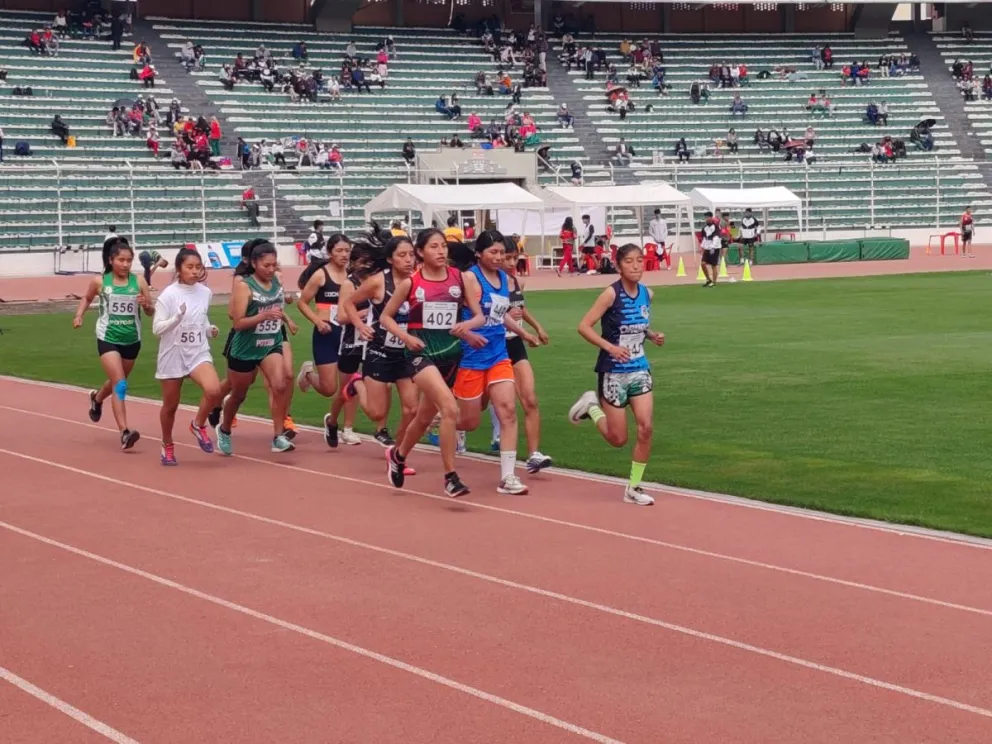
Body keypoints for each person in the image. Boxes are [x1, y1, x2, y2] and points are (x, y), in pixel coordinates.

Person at [378, 230, 486, 497]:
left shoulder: (458, 278)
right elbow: (386, 318)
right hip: (419, 354)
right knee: (449, 409)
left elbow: (479, 316)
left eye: (443, 247)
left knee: (424, 416)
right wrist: (405, 337)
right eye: (434, 247)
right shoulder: (411, 284)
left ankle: (398, 456)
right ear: (421, 252)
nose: (441, 252)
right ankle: (450, 477)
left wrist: (468, 328)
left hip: (450, 354)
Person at [568, 244, 665, 506]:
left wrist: (651, 334)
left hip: (640, 370)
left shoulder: (648, 294)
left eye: (640, 261)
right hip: (613, 372)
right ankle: (591, 406)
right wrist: (610, 347)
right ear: (619, 265)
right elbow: (583, 327)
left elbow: (638, 325)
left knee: (646, 428)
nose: (636, 266)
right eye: (630, 262)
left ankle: (634, 487)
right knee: (618, 438)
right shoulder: (610, 294)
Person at [450, 233, 539, 494]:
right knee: (469, 421)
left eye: (502, 252)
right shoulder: (469, 278)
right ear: (479, 254)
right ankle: (440, 418)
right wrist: (467, 334)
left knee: (508, 410)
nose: (499, 257)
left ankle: (508, 477)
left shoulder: (504, 279)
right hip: (471, 357)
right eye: (493, 252)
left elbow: (499, 315)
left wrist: (524, 333)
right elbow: (453, 316)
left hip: (499, 354)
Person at [340, 235, 420, 474]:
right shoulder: (377, 282)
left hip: (406, 353)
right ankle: (357, 384)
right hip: (379, 350)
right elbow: (349, 304)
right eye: (402, 255)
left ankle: (397, 454)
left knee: (411, 409)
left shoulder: (418, 281)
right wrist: (360, 325)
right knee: (377, 413)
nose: (408, 260)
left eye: (411, 255)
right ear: (390, 259)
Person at [72, 238, 154, 450]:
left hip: (132, 340)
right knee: (120, 383)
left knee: (118, 380)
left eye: (129, 260)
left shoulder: (140, 282)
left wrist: (147, 305)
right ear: (111, 260)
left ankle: (97, 399)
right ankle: (125, 431)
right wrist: (79, 315)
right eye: (121, 260)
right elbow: (87, 298)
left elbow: (151, 311)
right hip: (108, 338)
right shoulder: (100, 282)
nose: (125, 264)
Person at [216, 241, 295, 454]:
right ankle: (224, 429)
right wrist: (262, 316)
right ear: (254, 264)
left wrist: (287, 320)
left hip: (270, 343)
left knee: (279, 385)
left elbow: (277, 307)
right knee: (239, 394)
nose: (271, 270)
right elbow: (238, 323)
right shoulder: (245, 286)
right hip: (245, 348)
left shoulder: (277, 281)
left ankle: (278, 436)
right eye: (266, 266)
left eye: (273, 265)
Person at [152, 248, 222, 465]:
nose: (194, 271)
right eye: (189, 267)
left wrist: (209, 329)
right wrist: (176, 318)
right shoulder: (169, 295)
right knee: (170, 406)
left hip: (197, 351)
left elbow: (200, 319)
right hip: (173, 353)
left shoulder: (205, 293)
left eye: (198, 267)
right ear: (179, 269)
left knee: (214, 390)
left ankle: (198, 424)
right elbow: (157, 329)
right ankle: (167, 444)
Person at [294, 233, 354, 446]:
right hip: (326, 333)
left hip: (348, 334)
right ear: (330, 252)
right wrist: (318, 322)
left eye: (347, 250)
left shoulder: (353, 275)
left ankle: (347, 428)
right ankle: (308, 374)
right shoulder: (321, 275)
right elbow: (302, 303)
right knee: (329, 389)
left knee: (351, 383)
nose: (344, 255)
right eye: (339, 250)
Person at [502, 242, 553, 473]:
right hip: (493, 347)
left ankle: (533, 454)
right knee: (478, 406)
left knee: (530, 399)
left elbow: (520, 307)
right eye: (508, 258)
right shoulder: (483, 284)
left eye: (515, 258)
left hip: (515, 344)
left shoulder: (516, 282)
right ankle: (446, 420)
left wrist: (538, 327)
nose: (512, 263)